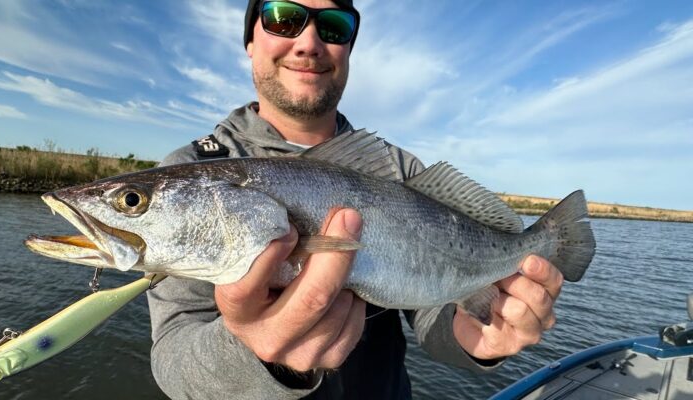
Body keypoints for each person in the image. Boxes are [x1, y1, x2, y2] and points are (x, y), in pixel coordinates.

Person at [148, 1, 564, 398]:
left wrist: (475, 332)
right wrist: (255, 355)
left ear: (348, 48)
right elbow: (173, 353)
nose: (309, 42)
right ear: (250, 41)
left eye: (334, 26)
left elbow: (430, 306)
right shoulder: (190, 169)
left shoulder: (401, 170)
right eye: (282, 17)